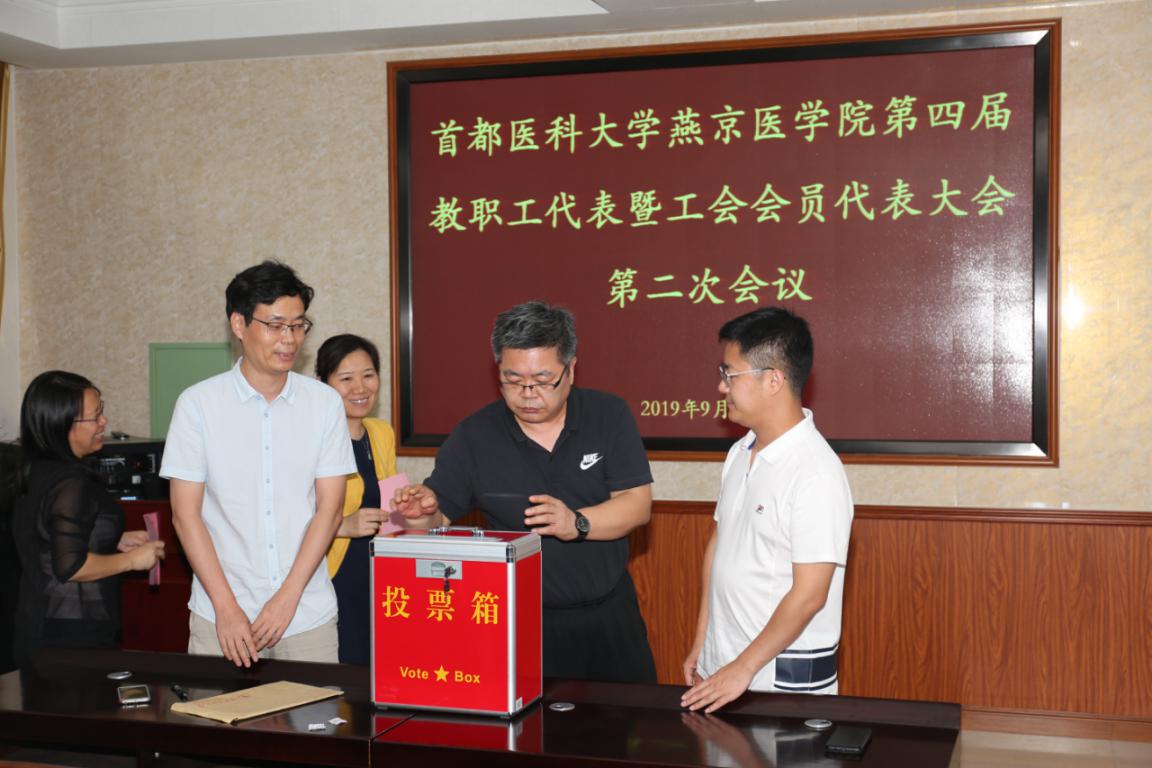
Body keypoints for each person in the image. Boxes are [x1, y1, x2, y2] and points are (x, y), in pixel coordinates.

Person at [395, 300, 657, 683]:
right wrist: (420, 515)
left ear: (571, 369)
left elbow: (637, 505)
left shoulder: (609, 415)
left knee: (630, 717)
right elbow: (436, 517)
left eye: (543, 380)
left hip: (610, 615)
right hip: (519, 619)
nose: (528, 393)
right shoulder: (473, 436)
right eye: (513, 380)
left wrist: (576, 523)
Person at [161, 261, 355, 667]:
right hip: (220, 617)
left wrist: (287, 598)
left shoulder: (324, 405)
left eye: (298, 326)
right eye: (275, 325)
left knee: (316, 710)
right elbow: (185, 515)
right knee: (218, 710)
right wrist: (226, 607)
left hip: (306, 615)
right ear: (238, 324)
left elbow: (330, 509)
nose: (289, 339)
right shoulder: (198, 405)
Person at [681, 307, 853, 712]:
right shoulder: (739, 452)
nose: (721, 387)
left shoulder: (816, 471)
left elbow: (810, 594)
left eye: (730, 374)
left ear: (773, 380)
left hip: (779, 679)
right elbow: (719, 546)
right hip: (725, 666)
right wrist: (703, 641)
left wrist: (742, 668)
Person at [12, 371, 166, 665]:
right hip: (70, 639)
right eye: (95, 417)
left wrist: (113, 539)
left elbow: (46, 536)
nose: (103, 422)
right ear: (63, 425)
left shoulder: (38, 470)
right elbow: (70, 566)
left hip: (40, 625)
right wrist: (131, 561)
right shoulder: (69, 482)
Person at [315, 334, 397, 665]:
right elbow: (286, 518)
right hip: (330, 577)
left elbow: (392, 511)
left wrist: (412, 503)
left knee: (377, 669)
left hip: (379, 576)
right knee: (339, 674)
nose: (360, 388)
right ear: (322, 384)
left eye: (368, 375)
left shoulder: (381, 432)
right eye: (346, 379)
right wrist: (343, 525)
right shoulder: (311, 439)